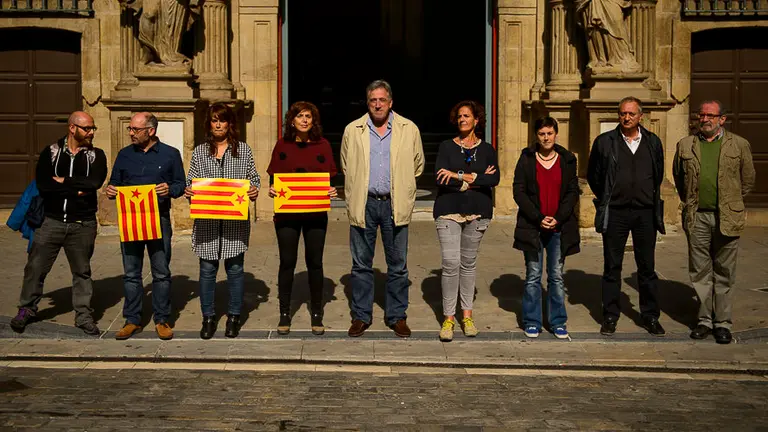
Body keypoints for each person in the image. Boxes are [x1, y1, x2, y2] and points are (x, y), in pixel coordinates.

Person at [9, 111, 107, 335]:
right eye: (87, 128)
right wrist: (76, 188)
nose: (91, 132)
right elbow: (45, 185)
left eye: (93, 128)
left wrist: (64, 182)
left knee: (82, 271)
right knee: (35, 268)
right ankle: (27, 309)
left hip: (82, 224)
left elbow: (94, 183)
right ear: (72, 128)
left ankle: (83, 315)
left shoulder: (97, 155)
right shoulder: (51, 152)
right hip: (50, 221)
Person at [341, 79, 425, 338]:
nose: (377, 104)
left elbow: (418, 165)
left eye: (382, 100)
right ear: (367, 103)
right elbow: (346, 165)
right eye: (373, 100)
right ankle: (361, 316)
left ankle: (397, 316)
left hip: (394, 203)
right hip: (364, 203)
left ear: (391, 102)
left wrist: (403, 188)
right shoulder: (353, 130)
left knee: (398, 265)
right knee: (361, 265)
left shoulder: (408, 129)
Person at [673, 100, 755, 344]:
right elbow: (679, 178)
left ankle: (722, 323)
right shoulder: (686, 145)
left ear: (722, 119)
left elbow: (747, 180)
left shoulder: (739, 145)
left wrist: (731, 202)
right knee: (700, 271)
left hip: (727, 216)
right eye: (702, 114)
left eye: (710, 115)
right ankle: (704, 321)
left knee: (724, 271)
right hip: (697, 216)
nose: (705, 119)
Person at [587, 96, 667, 336]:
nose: (627, 117)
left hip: (644, 213)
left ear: (640, 116)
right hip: (617, 212)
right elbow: (594, 175)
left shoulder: (653, 142)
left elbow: (658, 173)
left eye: (631, 114)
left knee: (647, 267)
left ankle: (650, 316)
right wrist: (607, 198)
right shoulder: (605, 142)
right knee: (612, 266)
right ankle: (610, 315)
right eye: (623, 113)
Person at [106, 112, 185, 340]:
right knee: (131, 273)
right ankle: (132, 319)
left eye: (135, 129)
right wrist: (111, 191)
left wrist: (169, 189)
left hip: (158, 219)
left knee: (161, 272)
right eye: (130, 129)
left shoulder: (170, 154)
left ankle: (162, 319)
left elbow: (181, 184)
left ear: (150, 131)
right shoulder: (124, 155)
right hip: (131, 219)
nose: (131, 133)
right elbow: (114, 184)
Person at [184, 103, 260, 339]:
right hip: (207, 222)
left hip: (234, 223)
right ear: (209, 124)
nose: (218, 124)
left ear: (230, 124)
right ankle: (208, 317)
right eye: (214, 120)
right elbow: (191, 181)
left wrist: (254, 190)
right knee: (207, 270)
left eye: (222, 120)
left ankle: (234, 316)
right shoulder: (199, 152)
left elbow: (254, 178)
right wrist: (189, 191)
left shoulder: (244, 151)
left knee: (235, 269)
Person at [267, 101, 337, 336]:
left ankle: (317, 313)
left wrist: (331, 191)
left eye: (308, 116)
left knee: (315, 263)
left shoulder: (323, 145)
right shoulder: (282, 145)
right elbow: (273, 179)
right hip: (287, 215)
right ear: (292, 120)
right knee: (287, 262)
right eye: (300, 116)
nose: (304, 120)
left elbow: (329, 179)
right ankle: (284, 313)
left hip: (316, 215)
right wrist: (271, 189)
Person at [433, 101, 499, 342]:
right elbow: (440, 177)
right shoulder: (446, 147)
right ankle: (449, 318)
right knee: (451, 263)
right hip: (448, 210)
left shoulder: (488, 149)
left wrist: (457, 175)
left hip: (478, 212)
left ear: (476, 120)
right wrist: (471, 180)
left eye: (467, 116)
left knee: (468, 264)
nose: (462, 119)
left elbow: (495, 180)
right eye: (459, 116)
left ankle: (467, 316)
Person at [513, 117, 580, 339]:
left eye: (549, 133)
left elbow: (572, 192)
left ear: (556, 134)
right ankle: (532, 321)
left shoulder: (568, 159)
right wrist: (539, 217)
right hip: (533, 226)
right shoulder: (526, 159)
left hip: (559, 227)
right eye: (542, 134)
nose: (546, 137)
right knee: (533, 275)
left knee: (556, 275)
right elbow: (519, 192)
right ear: (536, 136)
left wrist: (558, 218)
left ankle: (558, 321)